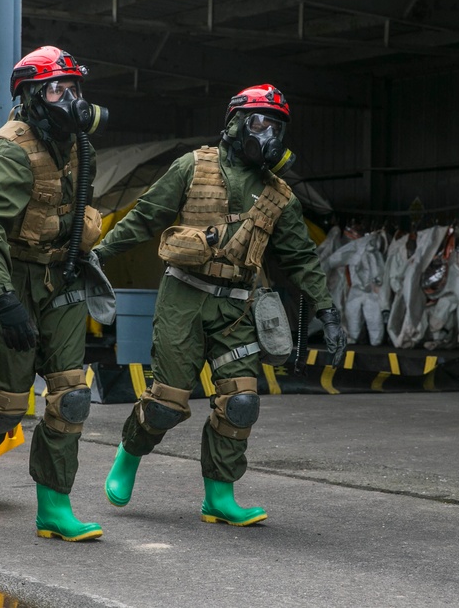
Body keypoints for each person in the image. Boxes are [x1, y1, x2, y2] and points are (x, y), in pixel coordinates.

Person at [92, 84, 345, 526]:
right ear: (234, 122)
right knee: (167, 403)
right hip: (183, 298)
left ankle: (219, 497)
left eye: (277, 126)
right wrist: (96, 257)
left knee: (241, 402)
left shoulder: (279, 195)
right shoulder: (191, 167)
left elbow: (301, 257)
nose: (268, 134)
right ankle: (130, 453)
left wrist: (328, 309)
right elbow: (145, 217)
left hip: (237, 308)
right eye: (259, 121)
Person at [0, 45, 106, 542]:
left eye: (75, 88)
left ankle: (54, 506)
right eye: (57, 89)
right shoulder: (11, 151)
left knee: (71, 395)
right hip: (15, 278)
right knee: (6, 405)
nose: (70, 98)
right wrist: (4, 298)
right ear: (31, 96)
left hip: (63, 276)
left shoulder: (76, 145)